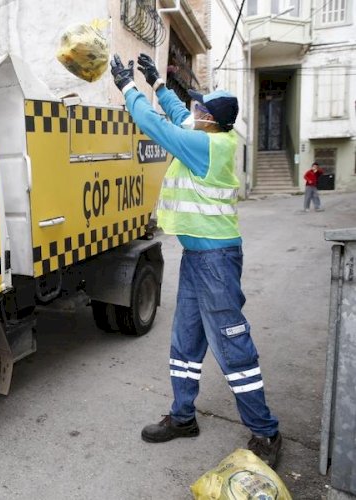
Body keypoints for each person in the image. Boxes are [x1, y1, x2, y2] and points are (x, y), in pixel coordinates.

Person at [109, 53, 282, 467]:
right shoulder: (208, 132)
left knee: (232, 344)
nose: (193, 110)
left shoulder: (206, 145)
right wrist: (159, 85)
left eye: (199, 107)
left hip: (216, 261)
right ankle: (184, 418)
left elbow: (156, 126)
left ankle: (266, 431)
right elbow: (176, 113)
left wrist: (129, 88)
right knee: (185, 343)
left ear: (210, 120)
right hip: (198, 256)